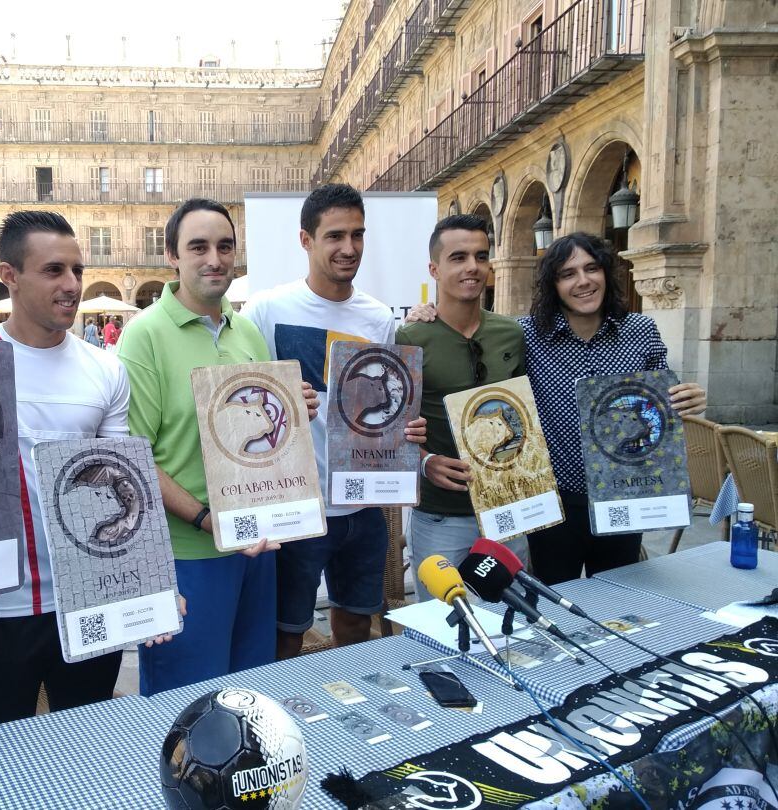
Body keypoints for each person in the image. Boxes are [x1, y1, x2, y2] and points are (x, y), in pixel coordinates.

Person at [0, 210, 180, 726]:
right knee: (1, 749)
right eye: (54, 270)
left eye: (77, 270)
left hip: (90, 598)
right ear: (9, 276)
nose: (72, 285)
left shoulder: (105, 368)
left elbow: (123, 482)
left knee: (86, 739)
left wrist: (149, 583)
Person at [405, 231, 707, 583]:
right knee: (552, 603)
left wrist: (687, 400)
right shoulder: (527, 334)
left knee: (621, 603)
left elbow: (659, 403)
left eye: (591, 268)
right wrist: (425, 313)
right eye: (568, 274)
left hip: (624, 496)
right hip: (552, 504)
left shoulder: (641, 331)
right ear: (554, 285)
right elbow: (472, 330)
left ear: (606, 273)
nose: (583, 281)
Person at [117, 198, 317, 696]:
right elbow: (133, 457)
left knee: (248, 697)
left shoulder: (246, 329)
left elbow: (263, 439)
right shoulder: (144, 337)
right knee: (185, 707)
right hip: (187, 555)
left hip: (255, 549)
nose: (214, 259)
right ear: (172, 256)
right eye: (198, 246)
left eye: (225, 246)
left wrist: (292, 410)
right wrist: (207, 518)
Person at [241, 183, 426, 659]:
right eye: (335, 236)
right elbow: (248, 400)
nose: (349, 248)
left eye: (358, 235)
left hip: (363, 505)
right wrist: (282, 400)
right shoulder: (267, 309)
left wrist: (406, 432)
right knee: (287, 630)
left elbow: (385, 406)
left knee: (355, 621)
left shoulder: (378, 317)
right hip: (296, 505)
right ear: (306, 240)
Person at [395, 214, 530, 594]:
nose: (472, 266)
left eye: (481, 256)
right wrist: (425, 461)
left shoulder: (511, 333)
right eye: (458, 257)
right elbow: (392, 428)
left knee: (511, 625)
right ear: (434, 269)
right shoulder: (410, 337)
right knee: (443, 625)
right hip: (441, 516)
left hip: (507, 511)